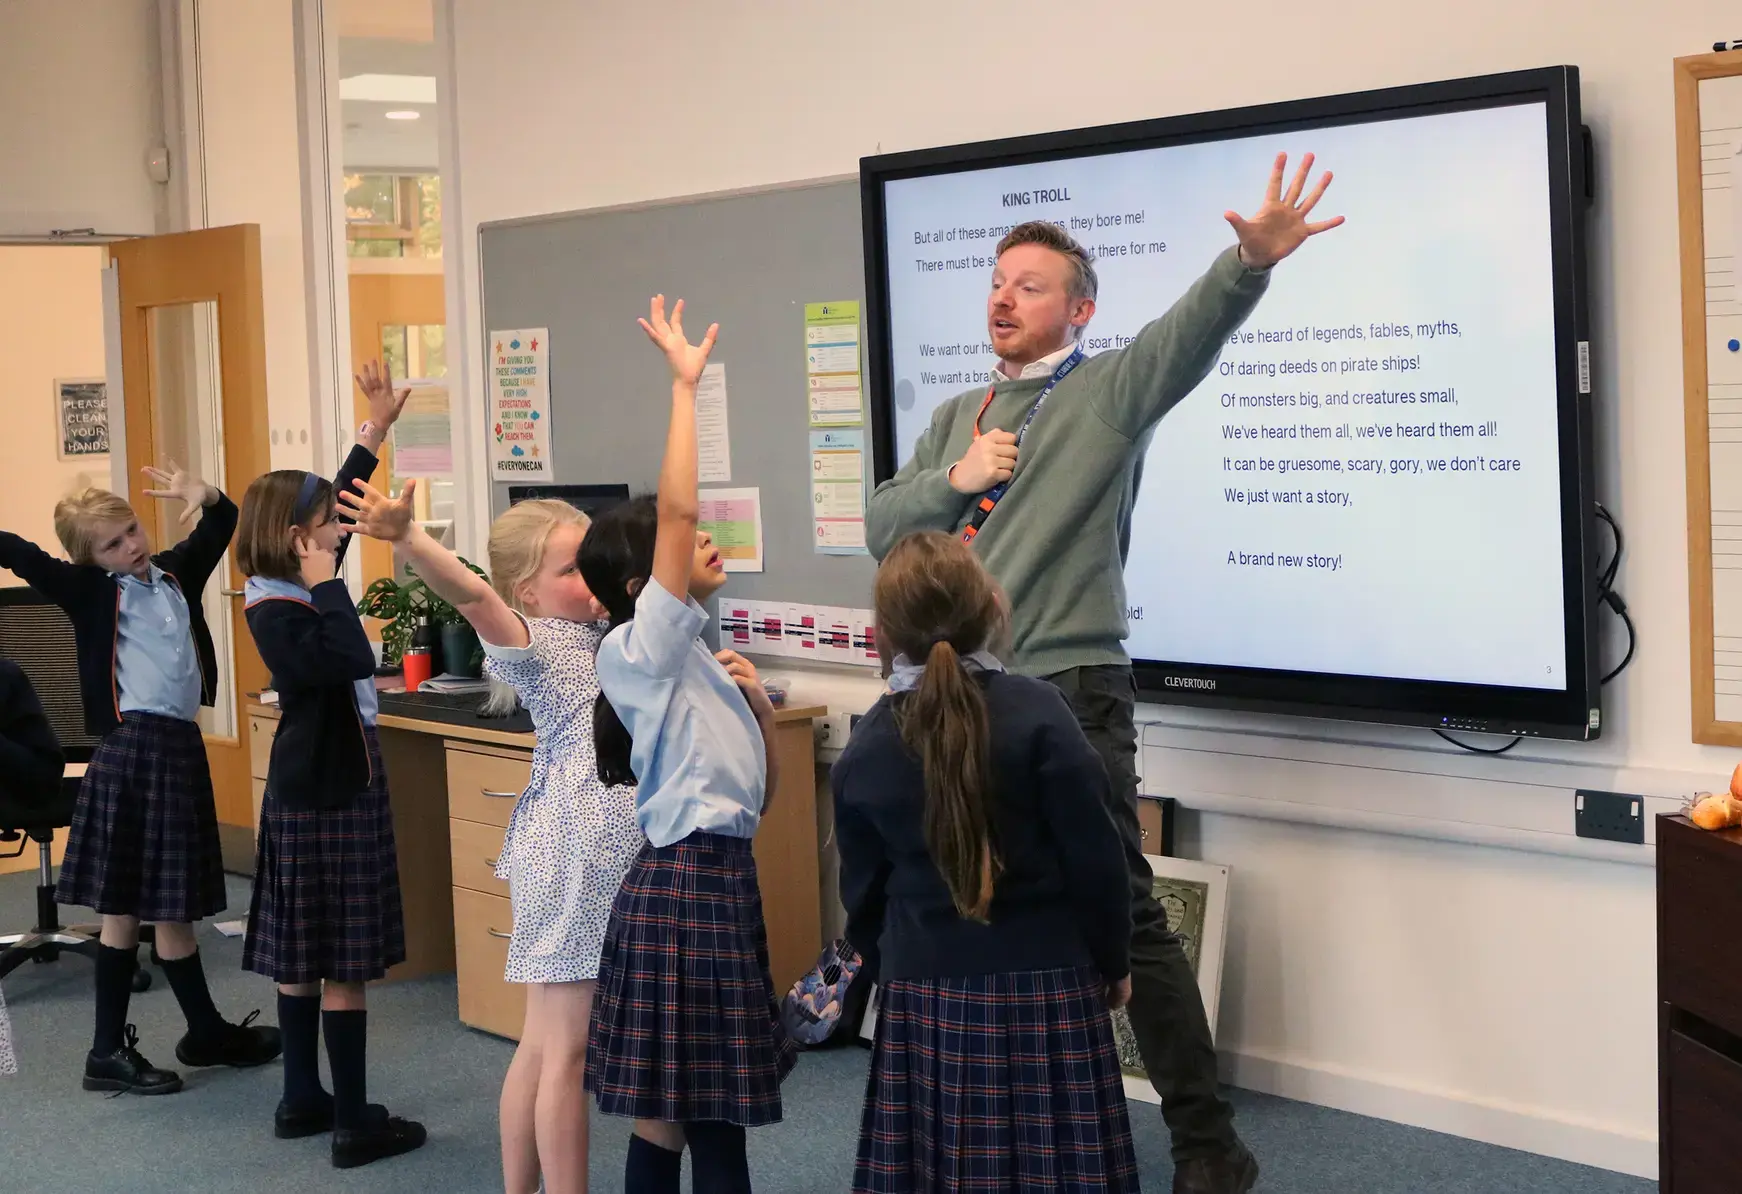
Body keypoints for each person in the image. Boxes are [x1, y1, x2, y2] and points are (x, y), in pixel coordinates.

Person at [865, 152, 1343, 1193]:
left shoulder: (1107, 393)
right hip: (950, 699)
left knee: (1121, 908)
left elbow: (1186, 337)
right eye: (995, 281)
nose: (1002, 297)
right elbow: (881, 529)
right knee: (957, 904)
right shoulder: (956, 418)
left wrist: (1246, 264)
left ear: (1077, 312)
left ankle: (1208, 1147)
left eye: (1028, 285)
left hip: (1066, 688)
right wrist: (954, 481)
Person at [338, 479, 643, 1194]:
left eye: (589, 565)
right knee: (567, 1052)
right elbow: (472, 596)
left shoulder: (604, 635)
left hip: (568, 843)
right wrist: (409, 538)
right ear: (526, 593)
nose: (587, 581)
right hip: (576, 850)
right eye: (569, 571)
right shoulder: (535, 640)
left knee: (543, 1042)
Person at [835, 529, 1137, 1192]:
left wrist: (897, 975)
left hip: (926, 990)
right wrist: (1113, 962)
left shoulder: (868, 747)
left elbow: (863, 901)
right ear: (994, 606)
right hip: (1050, 980)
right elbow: (1098, 861)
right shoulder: (1042, 713)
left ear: (882, 633)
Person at [578, 297, 794, 1194]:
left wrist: (762, 715)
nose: (704, 538)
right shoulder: (640, 647)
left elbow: (757, 802)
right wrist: (684, 391)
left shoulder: (698, 655)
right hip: (682, 894)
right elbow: (674, 511)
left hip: (718, 882)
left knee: (711, 1112)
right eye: (685, 542)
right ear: (644, 584)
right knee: (676, 1114)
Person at [0, 465, 281, 1095]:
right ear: (90, 560)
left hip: (177, 752)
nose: (131, 545)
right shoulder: (92, 592)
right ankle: (110, 1051)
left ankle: (200, 1032)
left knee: (167, 909)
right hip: (132, 755)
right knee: (126, 911)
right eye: (112, 543)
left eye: (131, 530)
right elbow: (20, 555)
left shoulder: (176, 575)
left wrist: (205, 495)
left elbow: (223, 524)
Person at [236, 364, 425, 1169]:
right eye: (324, 529)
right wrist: (329, 586)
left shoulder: (292, 575)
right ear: (293, 541)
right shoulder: (278, 605)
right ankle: (351, 1121)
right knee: (337, 959)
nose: (338, 534)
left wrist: (373, 430)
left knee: (304, 953)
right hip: (328, 793)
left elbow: (343, 500)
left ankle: (300, 1097)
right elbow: (345, 652)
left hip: (311, 787)